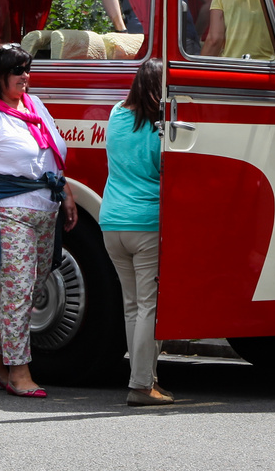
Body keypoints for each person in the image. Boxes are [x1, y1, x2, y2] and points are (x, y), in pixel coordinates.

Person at [0, 44, 77, 398]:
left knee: (30, 289)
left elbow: (50, 153)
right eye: (18, 71)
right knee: (19, 290)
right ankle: (18, 371)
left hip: (44, 208)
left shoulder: (33, 105)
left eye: (27, 69)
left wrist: (65, 192)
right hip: (8, 211)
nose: (26, 77)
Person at [100, 60, 173, 406]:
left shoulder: (115, 114)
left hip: (111, 221)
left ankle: (145, 377)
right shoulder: (160, 131)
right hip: (146, 224)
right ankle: (142, 384)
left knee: (132, 306)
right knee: (149, 306)